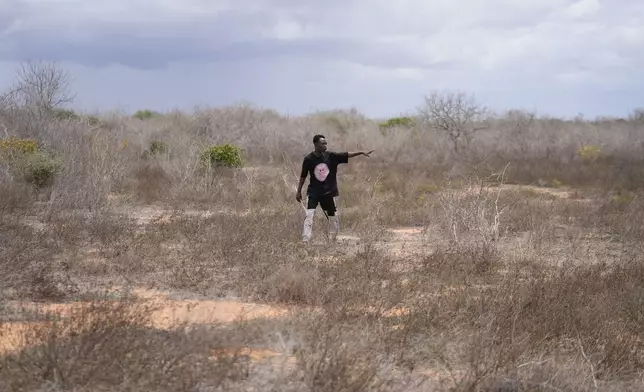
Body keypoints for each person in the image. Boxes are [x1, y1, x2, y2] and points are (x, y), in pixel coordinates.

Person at [296, 134, 373, 244]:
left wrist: (360, 152)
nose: (325, 145)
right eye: (323, 143)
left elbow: (346, 154)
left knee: (333, 217)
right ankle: (305, 239)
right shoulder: (308, 159)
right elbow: (303, 176)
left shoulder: (331, 156)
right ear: (316, 144)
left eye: (326, 143)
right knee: (309, 215)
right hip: (314, 192)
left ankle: (332, 239)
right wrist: (298, 191)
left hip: (328, 193)